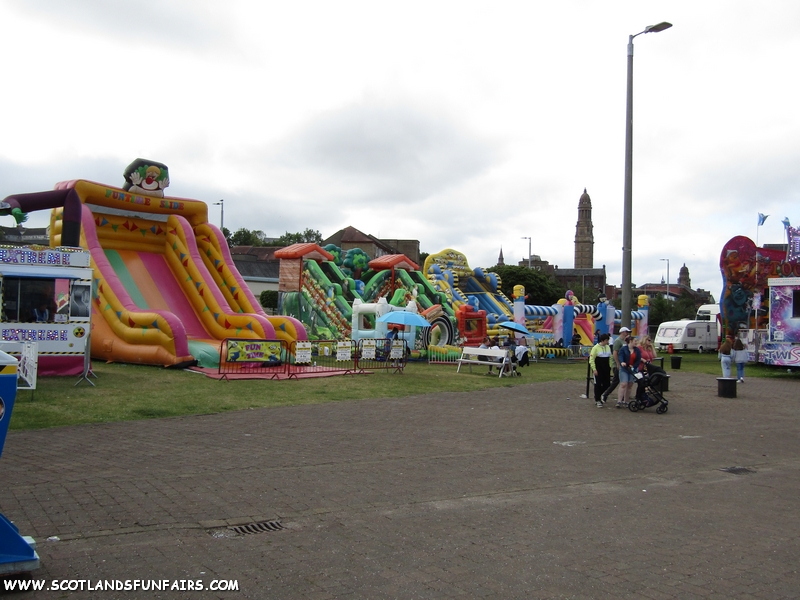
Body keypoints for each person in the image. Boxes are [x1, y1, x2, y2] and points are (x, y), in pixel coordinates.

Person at [602, 327, 631, 403]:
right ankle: (605, 394)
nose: (627, 333)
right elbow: (615, 353)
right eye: (626, 332)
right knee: (616, 381)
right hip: (618, 364)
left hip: (624, 364)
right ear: (622, 332)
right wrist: (617, 363)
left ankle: (623, 397)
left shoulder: (624, 341)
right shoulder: (618, 341)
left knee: (623, 381)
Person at [617, 335, 641, 408]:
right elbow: (620, 356)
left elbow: (638, 360)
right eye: (635, 341)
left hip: (633, 369)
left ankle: (626, 401)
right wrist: (622, 362)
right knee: (623, 384)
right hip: (624, 368)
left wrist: (634, 367)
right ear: (630, 341)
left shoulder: (637, 350)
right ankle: (619, 401)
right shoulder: (623, 349)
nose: (636, 343)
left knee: (630, 385)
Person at [589, 333, 612, 408]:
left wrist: (610, 366)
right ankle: (597, 399)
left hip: (606, 368)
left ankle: (599, 395)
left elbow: (610, 357)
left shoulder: (608, 347)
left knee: (607, 384)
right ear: (603, 340)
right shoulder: (595, 348)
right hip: (598, 368)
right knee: (598, 384)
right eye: (606, 340)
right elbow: (591, 359)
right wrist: (594, 369)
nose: (607, 342)